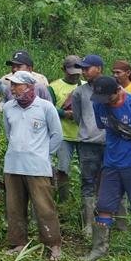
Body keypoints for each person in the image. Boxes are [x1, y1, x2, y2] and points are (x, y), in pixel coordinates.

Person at [84, 75, 131, 261]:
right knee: (104, 206)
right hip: (111, 164)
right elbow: (103, 126)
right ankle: (99, 249)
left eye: (107, 97)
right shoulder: (99, 104)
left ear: (118, 90)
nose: (104, 102)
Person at [2, 72, 63, 261]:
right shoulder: (8, 107)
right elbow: (9, 133)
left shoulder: (45, 107)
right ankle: (18, 242)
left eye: (16, 85)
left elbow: (57, 135)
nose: (12, 89)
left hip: (37, 167)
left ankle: (53, 244)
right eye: (12, 85)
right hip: (13, 165)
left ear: (29, 87)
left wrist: (43, 154)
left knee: (44, 207)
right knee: (14, 207)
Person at [66, 53, 107, 237]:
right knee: (88, 181)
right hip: (87, 143)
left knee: (108, 181)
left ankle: (107, 221)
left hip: (109, 143)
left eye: (87, 68)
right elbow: (77, 116)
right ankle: (88, 224)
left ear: (99, 68)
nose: (83, 72)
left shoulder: (112, 88)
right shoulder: (79, 92)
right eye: (82, 68)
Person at [49, 55, 83, 203]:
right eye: (71, 73)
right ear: (63, 70)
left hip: (84, 135)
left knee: (87, 169)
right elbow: (48, 108)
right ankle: (63, 201)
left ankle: (86, 199)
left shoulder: (86, 86)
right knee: (63, 169)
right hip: (63, 134)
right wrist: (64, 113)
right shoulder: (54, 87)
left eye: (77, 73)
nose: (75, 76)